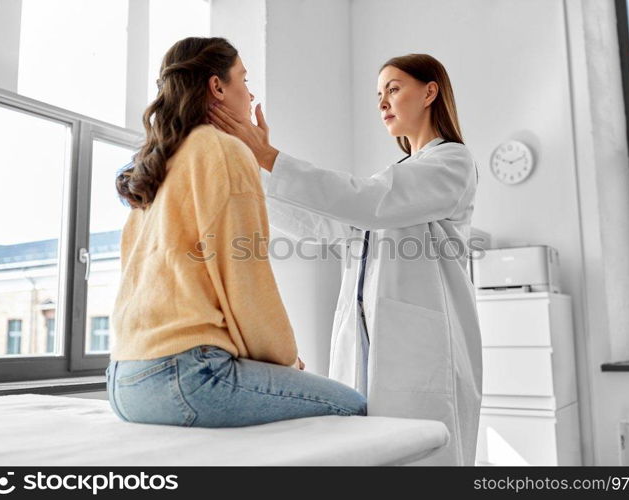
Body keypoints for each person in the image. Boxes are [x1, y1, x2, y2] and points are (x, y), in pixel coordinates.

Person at [207, 53, 482, 465]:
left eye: (393, 88)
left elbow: (368, 201)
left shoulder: (452, 162)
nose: (383, 102)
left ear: (430, 92)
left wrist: (269, 156)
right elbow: (325, 226)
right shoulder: (394, 179)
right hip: (371, 344)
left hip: (424, 349)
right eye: (378, 95)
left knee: (422, 458)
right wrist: (253, 169)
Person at [105, 36, 367, 428]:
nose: (250, 92)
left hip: (124, 380)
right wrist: (285, 359)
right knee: (354, 406)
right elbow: (246, 278)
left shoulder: (156, 162)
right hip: (185, 377)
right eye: (243, 79)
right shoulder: (223, 151)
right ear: (217, 87)